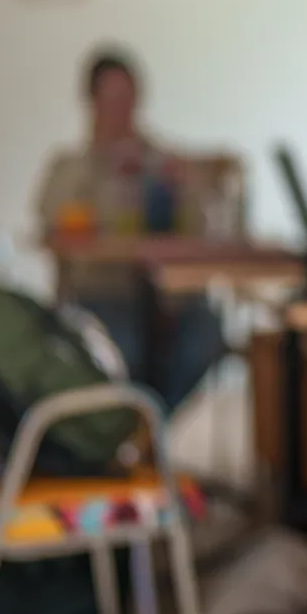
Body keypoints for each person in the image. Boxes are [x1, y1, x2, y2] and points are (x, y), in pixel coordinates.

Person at [35, 48, 225, 410]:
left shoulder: (160, 159)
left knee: (205, 336)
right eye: (113, 99)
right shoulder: (71, 165)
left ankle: (151, 433)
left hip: (168, 294)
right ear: (92, 102)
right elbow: (50, 224)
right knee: (125, 348)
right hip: (102, 288)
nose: (123, 110)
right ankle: (133, 431)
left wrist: (184, 182)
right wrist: (101, 162)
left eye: (129, 98)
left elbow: (200, 226)